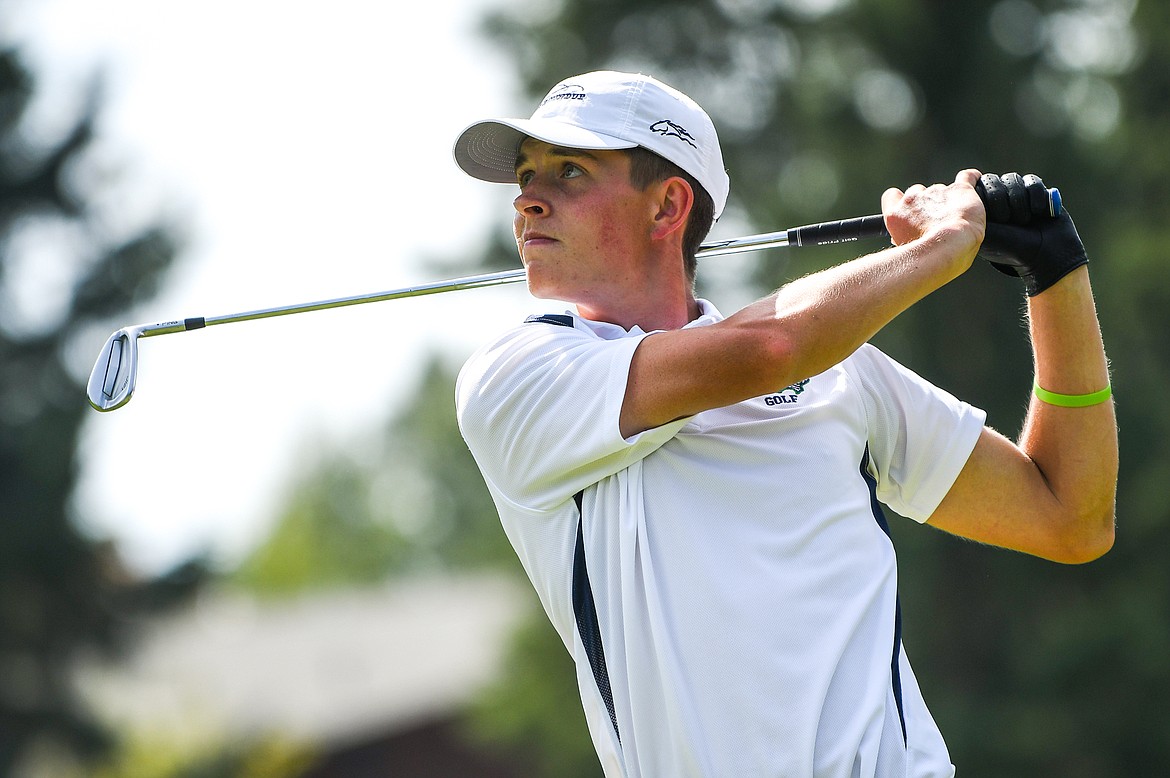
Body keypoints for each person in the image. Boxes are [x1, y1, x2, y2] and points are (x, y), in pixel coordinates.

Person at [451, 70, 1118, 777]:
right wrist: (935, 249)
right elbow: (768, 348)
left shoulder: (840, 370)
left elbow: (1067, 516)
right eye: (526, 174)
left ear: (668, 204)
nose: (528, 198)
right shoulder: (517, 376)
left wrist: (1056, 275)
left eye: (569, 171)